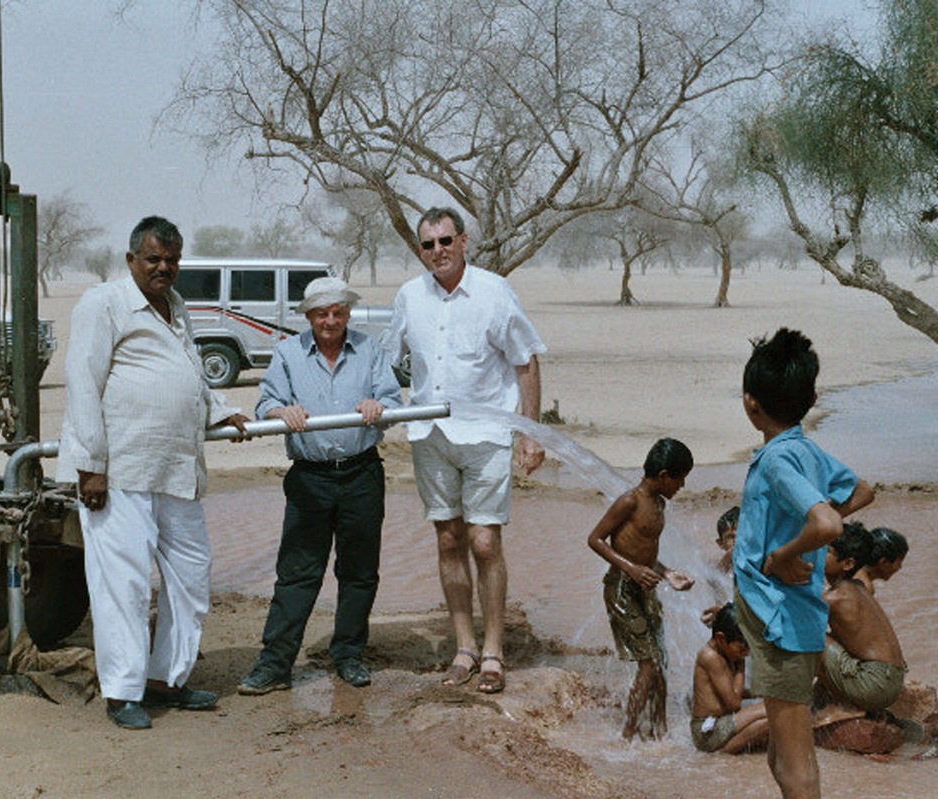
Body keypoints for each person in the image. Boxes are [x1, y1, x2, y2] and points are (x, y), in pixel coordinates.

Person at [57, 215, 249, 730]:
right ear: (130, 261)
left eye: (171, 260)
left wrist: (219, 409)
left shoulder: (177, 307)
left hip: (177, 470)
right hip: (120, 471)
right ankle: (122, 692)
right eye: (153, 260)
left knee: (191, 575)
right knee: (125, 584)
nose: (164, 268)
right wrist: (91, 466)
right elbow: (81, 383)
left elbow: (186, 373)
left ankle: (166, 679)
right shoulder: (104, 304)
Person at [383, 207, 547, 694]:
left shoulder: (495, 292)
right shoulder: (409, 297)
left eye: (445, 240)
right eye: (428, 244)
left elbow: (526, 363)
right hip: (429, 435)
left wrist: (530, 433)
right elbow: (390, 363)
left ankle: (494, 651)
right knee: (448, 539)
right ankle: (464, 647)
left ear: (464, 240)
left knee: (484, 542)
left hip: (487, 434)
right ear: (420, 250)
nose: (438, 251)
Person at [237, 277, 402, 695]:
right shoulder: (288, 353)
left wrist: (378, 407)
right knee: (297, 572)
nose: (331, 321)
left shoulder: (369, 349)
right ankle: (274, 664)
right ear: (308, 316)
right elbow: (264, 404)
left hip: (361, 473)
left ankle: (348, 654)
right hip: (309, 478)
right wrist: (280, 410)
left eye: (339, 312)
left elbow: (394, 403)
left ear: (348, 313)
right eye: (322, 313)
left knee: (359, 571)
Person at [731, 328, 875, 799]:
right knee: (781, 755)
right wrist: (802, 538)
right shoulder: (806, 450)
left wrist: (783, 554)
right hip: (793, 621)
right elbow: (861, 491)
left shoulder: (777, 462)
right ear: (812, 399)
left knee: (794, 764)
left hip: (783, 625)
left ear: (750, 403)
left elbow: (828, 525)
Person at [587, 437, 696, 740]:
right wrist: (631, 569)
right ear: (663, 476)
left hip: (645, 587)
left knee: (660, 659)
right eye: (680, 479)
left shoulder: (659, 503)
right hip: (621, 588)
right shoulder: (629, 501)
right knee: (647, 664)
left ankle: (659, 728)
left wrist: (668, 572)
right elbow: (595, 539)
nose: (682, 486)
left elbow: (643, 549)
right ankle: (627, 734)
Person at [818, 523, 907, 714]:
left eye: (826, 551)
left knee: (808, 637)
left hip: (874, 684)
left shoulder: (835, 598)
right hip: (891, 682)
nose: (817, 554)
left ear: (848, 563)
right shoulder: (858, 586)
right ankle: (828, 699)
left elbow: (798, 625)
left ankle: (845, 706)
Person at [691, 602, 769, 754]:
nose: (746, 653)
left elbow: (730, 692)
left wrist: (763, 691)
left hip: (721, 723)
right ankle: (722, 752)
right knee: (773, 711)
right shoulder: (710, 657)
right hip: (707, 732)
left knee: (772, 715)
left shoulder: (723, 651)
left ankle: (730, 747)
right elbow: (734, 703)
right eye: (742, 648)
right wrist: (741, 667)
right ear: (720, 638)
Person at [701, 505, 740, 626]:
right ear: (720, 543)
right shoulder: (719, 565)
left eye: (741, 534)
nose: (736, 540)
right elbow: (713, 578)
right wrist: (729, 556)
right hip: (728, 623)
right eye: (730, 537)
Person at [854, 526, 908, 594]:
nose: (900, 567)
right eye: (899, 562)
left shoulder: (848, 567)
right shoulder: (865, 588)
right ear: (884, 563)